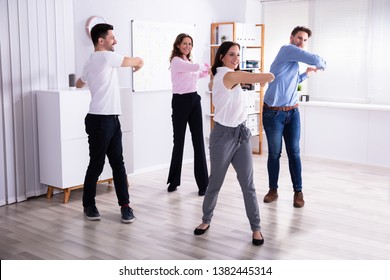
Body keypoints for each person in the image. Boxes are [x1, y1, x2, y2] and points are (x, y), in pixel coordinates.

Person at [194, 41, 274, 246]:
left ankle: (256, 228)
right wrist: (261, 78)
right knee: (215, 182)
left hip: (242, 133)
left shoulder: (226, 76)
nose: (236, 59)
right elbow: (267, 76)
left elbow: (240, 82)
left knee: (248, 184)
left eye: (238, 55)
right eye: (231, 55)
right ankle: (206, 220)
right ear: (221, 56)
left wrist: (251, 80)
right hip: (223, 136)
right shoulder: (228, 75)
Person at [76, 23, 144, 223]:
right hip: (99, 120)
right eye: (112, 37)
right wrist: (140, 64)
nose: (115, 41)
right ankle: (89, 205)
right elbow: (136, 61)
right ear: (101, 40)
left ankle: (125, 206)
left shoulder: (90, 61)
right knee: (97, 164)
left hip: (112, 118)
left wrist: (88, 82)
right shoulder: (106, 56)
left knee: (117, 164)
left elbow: (79, 82)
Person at [262, 26, 326, 208]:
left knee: (295, 153)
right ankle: (273, 190)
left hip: (293, 112)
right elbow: (315, 59)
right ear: (291, 37)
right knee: (274, 153)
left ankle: (298, 192)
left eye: (305, 40)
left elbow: (291, 81)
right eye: (299, 38)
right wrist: (322, 64)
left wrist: (306, 74)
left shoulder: (292, 60)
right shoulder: (287, 50)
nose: (302, 42)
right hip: (273, 113)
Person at [166, 33, 210, 196]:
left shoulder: (188, 61)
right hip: (180, 102)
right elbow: (195, 68)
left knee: (198, 141)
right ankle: (173, 181)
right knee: (179, 142)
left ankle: (203, 184)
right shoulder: (176, 61)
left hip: (194, 99)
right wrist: (207, 65)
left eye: (190, 44)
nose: (187, 46)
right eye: (185, 43)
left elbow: (195, 74)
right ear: (178, 45)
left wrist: (204, 73)